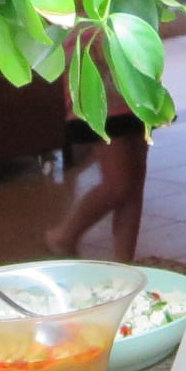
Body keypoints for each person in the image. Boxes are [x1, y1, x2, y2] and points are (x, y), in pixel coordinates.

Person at [44, 100, 149, 262]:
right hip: (103, 99)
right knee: (119, 183)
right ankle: (64, 235)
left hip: (136, 95)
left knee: (134, 184)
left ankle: (124, 262)